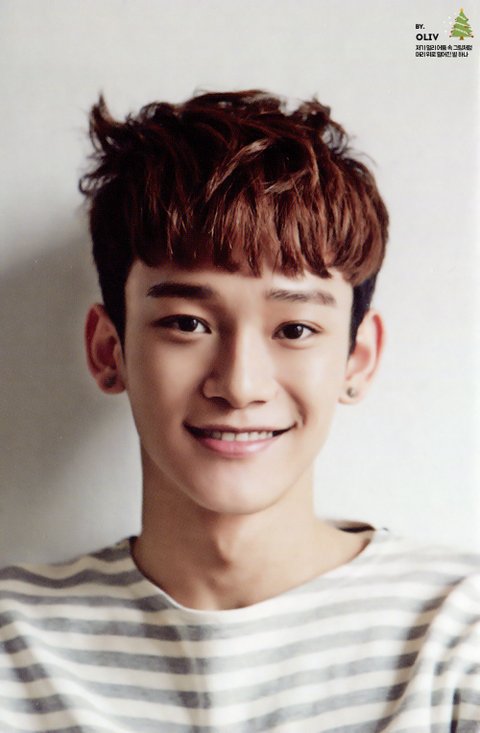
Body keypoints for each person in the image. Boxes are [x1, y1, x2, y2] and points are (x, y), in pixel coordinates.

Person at [0, 90, 478, 733]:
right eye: (187, 323)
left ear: (357, 359)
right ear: (109, 350)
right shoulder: (13, 645)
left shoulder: (458, 638)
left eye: (295, 329)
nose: (239, 384)